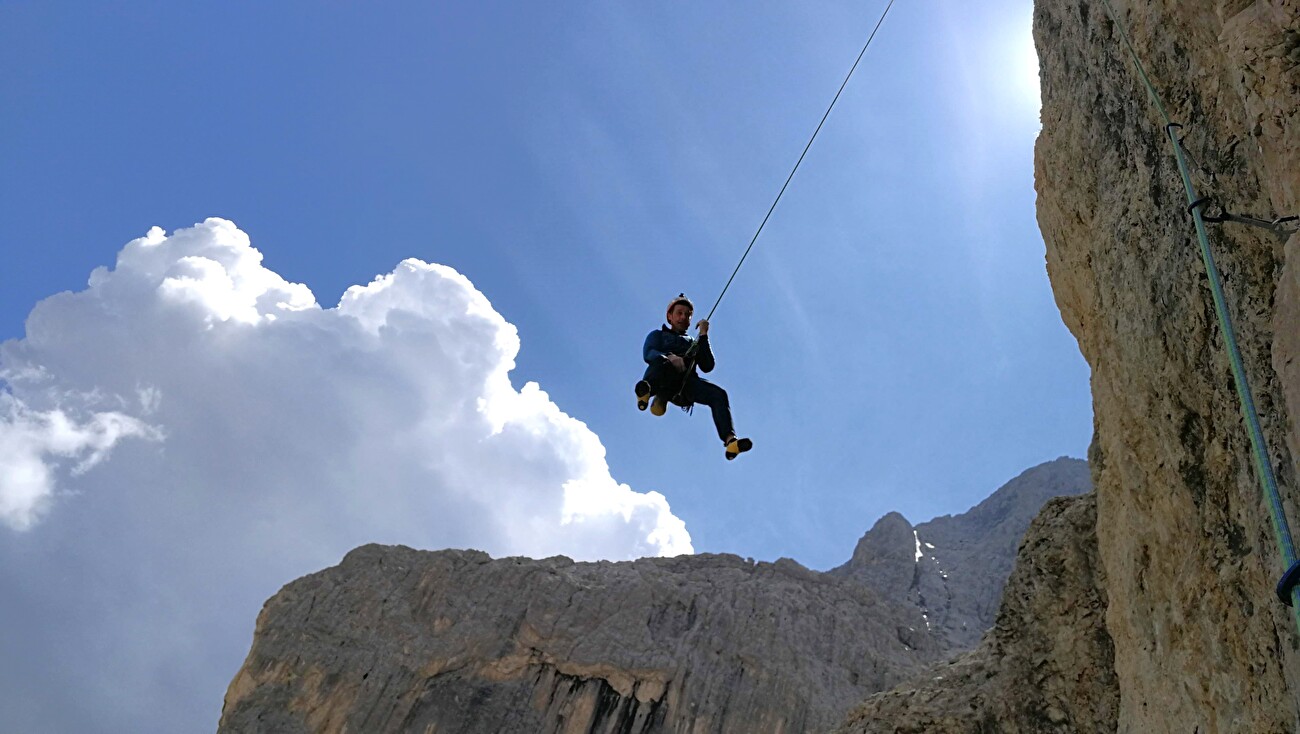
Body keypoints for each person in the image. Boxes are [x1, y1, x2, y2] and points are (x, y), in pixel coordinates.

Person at [635, 294, 752, 460]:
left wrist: (703, 335)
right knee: (661, 362)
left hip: (686, 386)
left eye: (688, 315)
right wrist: (670, 356)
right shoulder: (657, 335)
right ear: (670, 316)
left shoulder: (692, 342)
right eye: (680, 313)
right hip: (663, 379)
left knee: (719, 394)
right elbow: (649, 353)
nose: (683, 317)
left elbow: (707, 366)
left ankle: (730, 441)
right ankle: (647, 393)